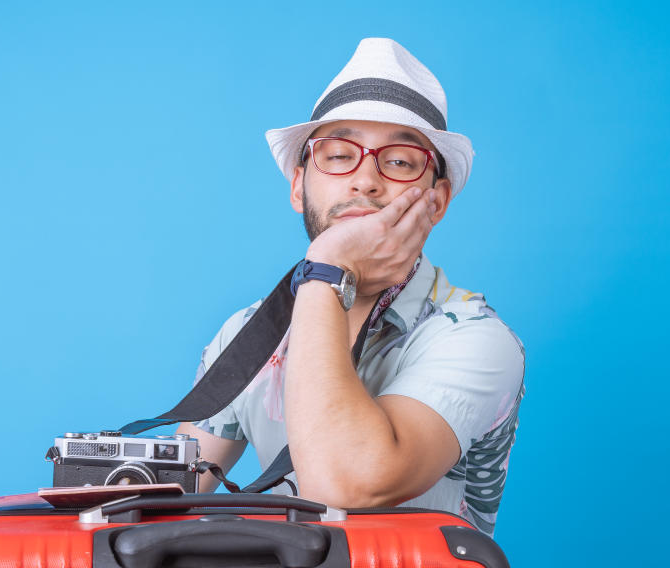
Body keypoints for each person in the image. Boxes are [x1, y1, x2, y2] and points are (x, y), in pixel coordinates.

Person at [175, 38, 524, 536]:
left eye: (400, 161)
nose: (364, 180)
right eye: (338, 155)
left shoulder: (474, 340)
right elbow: (166, 502)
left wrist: (327, 268)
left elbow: (346, 484)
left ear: (437, 201)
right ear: (299, 187)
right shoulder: (248, 336)